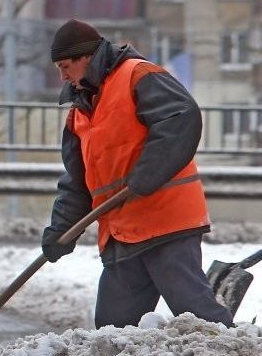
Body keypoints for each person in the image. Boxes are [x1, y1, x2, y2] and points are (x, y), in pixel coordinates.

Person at [41, 18, 233, 328]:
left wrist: (147, 175)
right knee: (111, 331)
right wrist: (61, 231)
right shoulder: (78, 113)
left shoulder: (136, 75)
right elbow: (77, 184)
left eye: (65, 66)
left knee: (199, 318)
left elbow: (180, 118)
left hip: (165, 222)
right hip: (121, 232)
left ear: (87, 57)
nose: (62, 76)